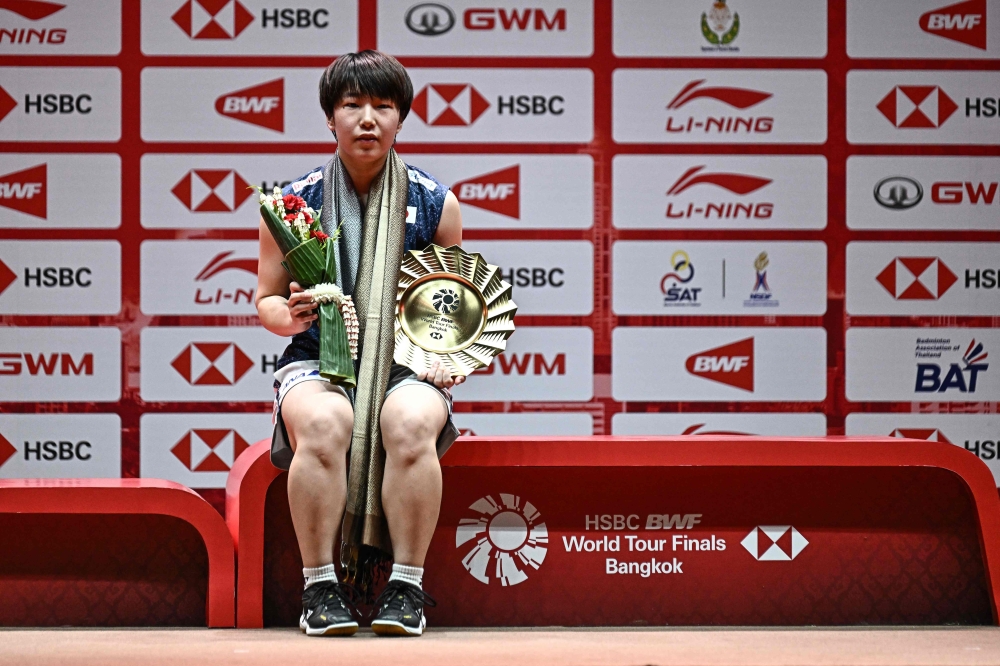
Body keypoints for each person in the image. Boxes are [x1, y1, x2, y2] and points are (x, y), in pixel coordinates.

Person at [254, 50, 463, 637]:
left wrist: (447, 358)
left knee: (412, 424)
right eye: (352, 105)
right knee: (323, 424)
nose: (367, 118)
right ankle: (320, 587)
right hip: (318, 360)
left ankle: (406, 589)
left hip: (405, 366)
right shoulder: (291, 205)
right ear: (330, 118)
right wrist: (289, 315)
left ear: (401, 119)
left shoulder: (434, 203)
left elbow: (449, 304)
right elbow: (266, 300)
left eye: (383, 106)